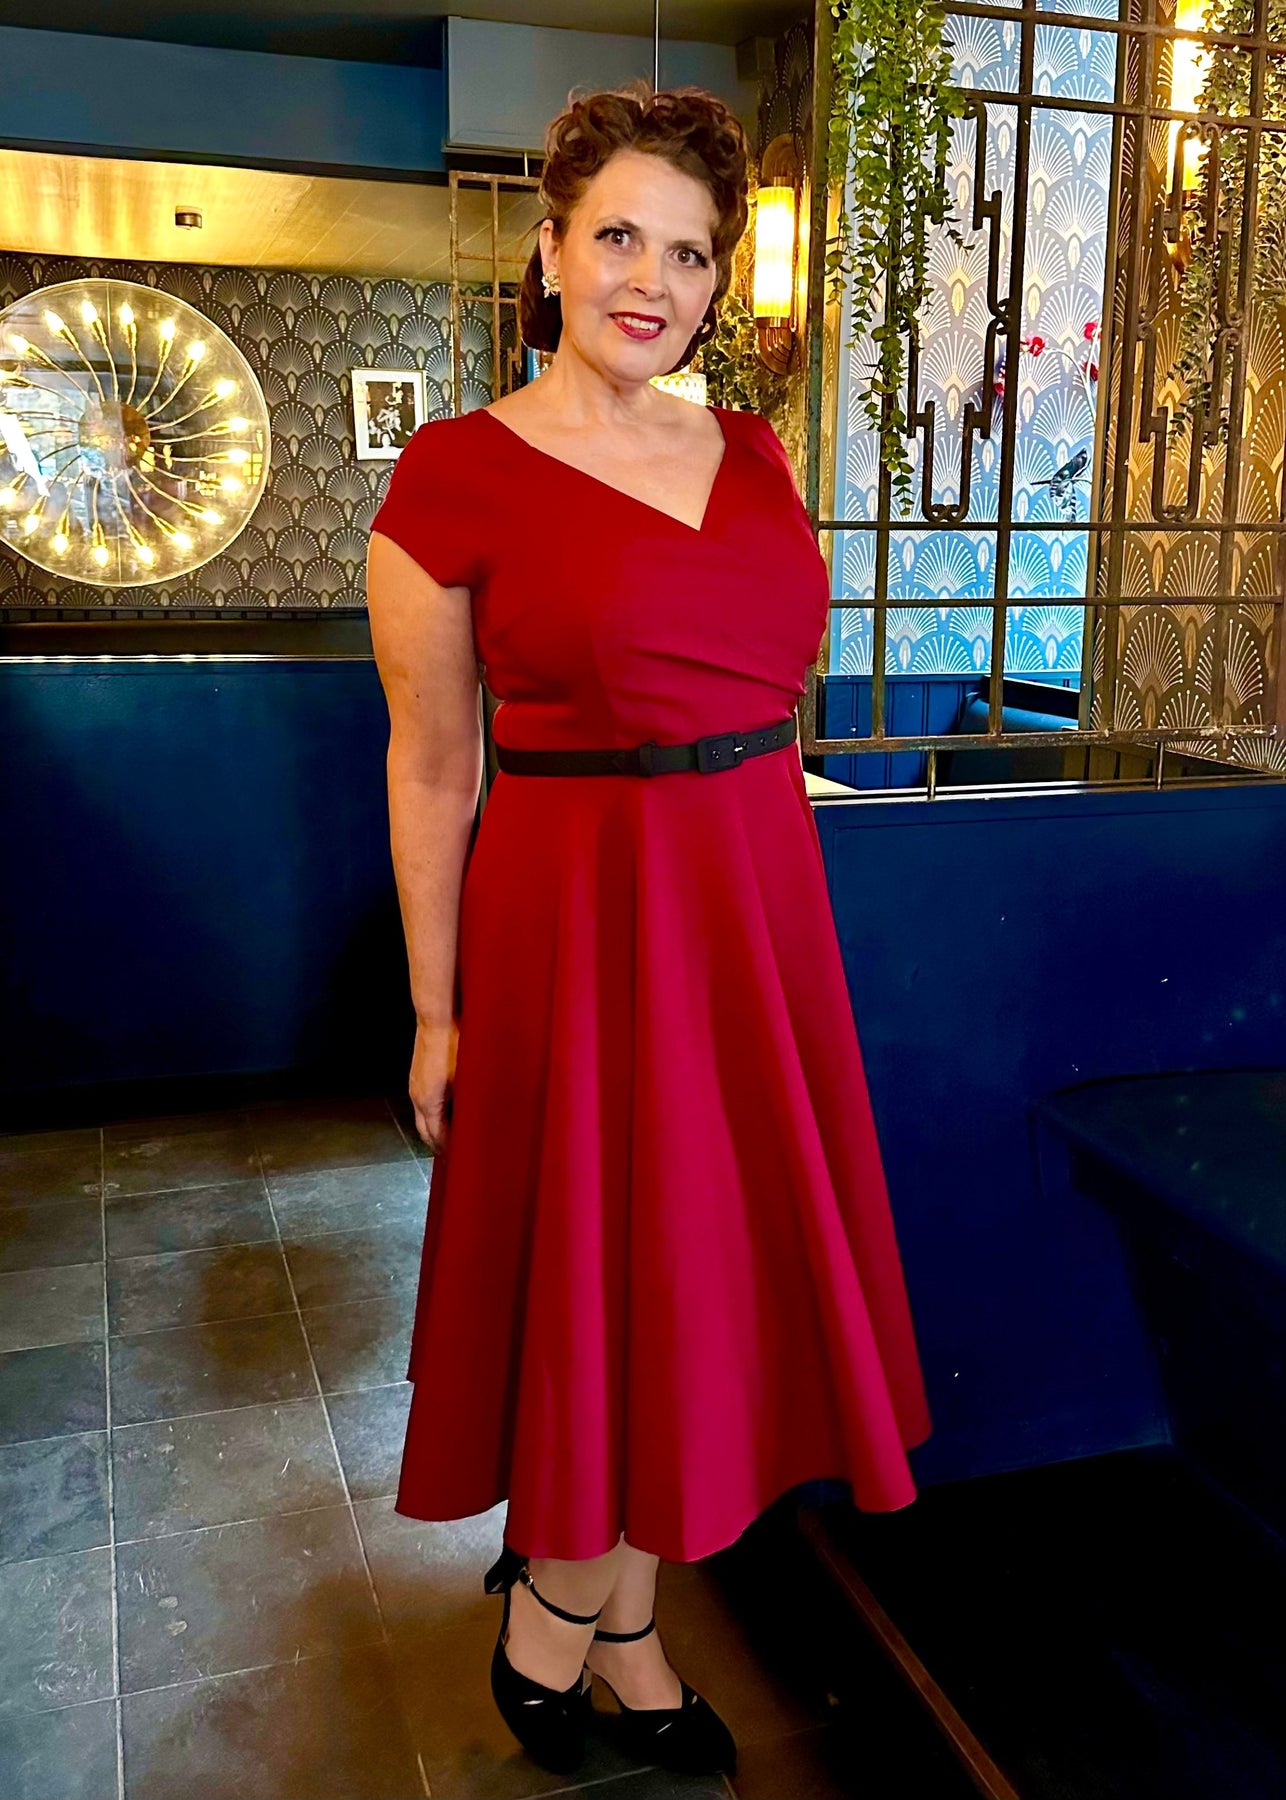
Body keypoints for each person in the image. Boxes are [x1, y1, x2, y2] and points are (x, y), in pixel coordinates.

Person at [365, 81, 932, 1783]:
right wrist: (437, 1013)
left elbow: (762, 693)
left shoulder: (752, 453)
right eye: (617, 235)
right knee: (606, 1272)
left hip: (751, 908)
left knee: (697, 1281)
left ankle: (605, 1621)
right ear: (548, 252)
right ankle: (576, 1613)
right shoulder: (455, 473)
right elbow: (432, 765)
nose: (651, 279)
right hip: (577, 918)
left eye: (688, 254)